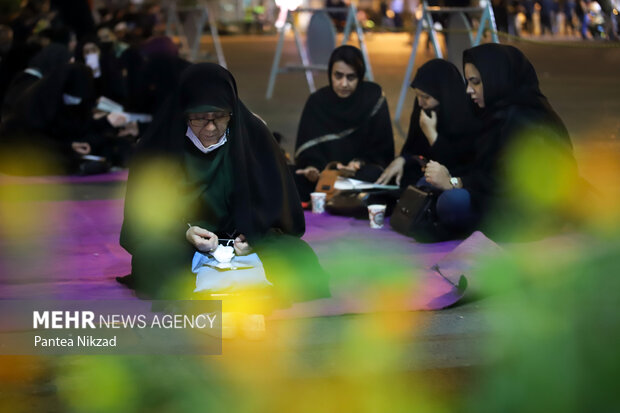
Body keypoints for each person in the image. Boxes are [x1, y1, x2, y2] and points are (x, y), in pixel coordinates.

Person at [119, 63, 329, 302]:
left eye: (219, 117)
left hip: (245, 241)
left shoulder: (253, 135)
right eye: (199, 118)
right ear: (184, 112)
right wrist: (185, 233)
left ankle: (208, 285)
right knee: (151, 258)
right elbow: (147, 215)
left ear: (232, 112)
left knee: (299, 257)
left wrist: (253, 235)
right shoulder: (159, 144)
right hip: (182, 243)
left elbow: (274, 204)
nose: (210, 127)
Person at [423, 43, 578, 240]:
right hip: (493, 199)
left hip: (528, 211)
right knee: (430, 186)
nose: (469, 91)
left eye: (476, 82)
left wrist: (454, 182)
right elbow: (477, 167)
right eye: (468, 82)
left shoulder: (526, 121)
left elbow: (510, 187)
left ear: (497, 79)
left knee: (452, 202)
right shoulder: (491, 115)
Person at [294, 45, 395, 202]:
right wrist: (312, 169)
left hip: (358, 175)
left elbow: (382, 152)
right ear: (330, 74)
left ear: (360, 76)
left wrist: (359, 163)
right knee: (291, 177)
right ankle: (344, 197)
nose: (344, 84)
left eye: (351, 77)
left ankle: (343, 196)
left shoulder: (373, 98)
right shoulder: (317, 101)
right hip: (324, 175)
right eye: (338, 76)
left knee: (377, 176)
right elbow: (307, 153)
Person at [376, 59, 478, 190]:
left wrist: (432, 136)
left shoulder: (466, 116)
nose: (420, 103)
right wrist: (403, 159)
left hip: (452, 182)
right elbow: (414, 148)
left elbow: (455, 165)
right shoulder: (423, 109)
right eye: (417, 96)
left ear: (444, 95)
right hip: (424, 172)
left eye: (426, 97)